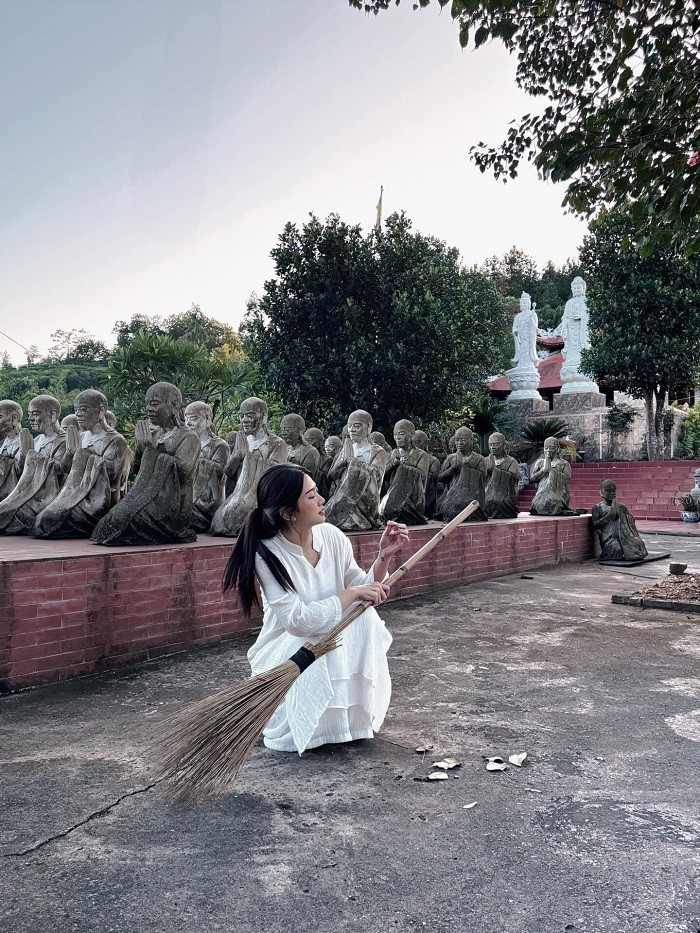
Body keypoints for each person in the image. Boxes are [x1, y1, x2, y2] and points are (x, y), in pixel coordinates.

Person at [224, 463, 409, 754]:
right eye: (311, 496)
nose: (322, 500)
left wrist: (383, 556)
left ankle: (344, 724)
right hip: (289, 645)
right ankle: (309, 726)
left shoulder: (332, 536)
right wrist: (354, 592)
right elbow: (298, 621)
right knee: (314, 635)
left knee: (363, 617)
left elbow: (362, 587)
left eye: (317, 492)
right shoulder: (267, 554)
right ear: (288, 513)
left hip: (326, 631)